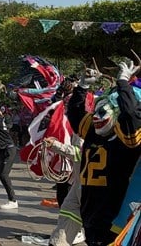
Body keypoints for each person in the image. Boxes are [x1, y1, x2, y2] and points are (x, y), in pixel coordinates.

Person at [66, 60, 140, 245]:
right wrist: (82, 87)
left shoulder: (126, 137)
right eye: (96, 112)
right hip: (90, 210)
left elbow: (131, 115)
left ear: (117, 113)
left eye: (103, 112)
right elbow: (75, 114)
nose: (96, 117)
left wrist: (123, 83)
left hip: (116, 215)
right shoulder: (93, 131)